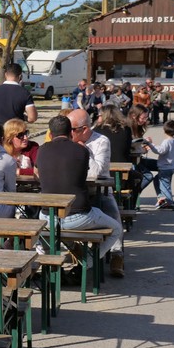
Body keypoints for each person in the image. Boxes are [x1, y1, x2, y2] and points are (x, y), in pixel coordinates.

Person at [36, 115, 123, 266]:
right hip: (78, 216)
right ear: (70, 133)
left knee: (55, 228)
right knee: (116, 228)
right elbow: (84, 176)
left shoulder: (42, 150)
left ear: (50, 134)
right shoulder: (81, 151)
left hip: (47, 217)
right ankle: (89, 262)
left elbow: (37, 173)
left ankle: (71, 251)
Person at [67, 108, 126, 277]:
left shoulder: (101, 141)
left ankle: (116, 255)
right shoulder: (66, 140)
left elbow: (96, 173)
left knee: (114, 217)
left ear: (84, 129)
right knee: (57, 223)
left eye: (71, 129)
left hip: (98, 190)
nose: (68, 133)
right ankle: (79, 251)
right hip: (76, 192)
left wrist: (83, 150)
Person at [144, 120, 174, 210]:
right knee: (157, 180)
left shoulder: (167, 141)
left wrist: (150, 144)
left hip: (165, 167)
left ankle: (168, 202)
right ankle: (162, 198)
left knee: (164, 185)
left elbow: (160, 150)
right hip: (171, 167)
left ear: (164, 130)